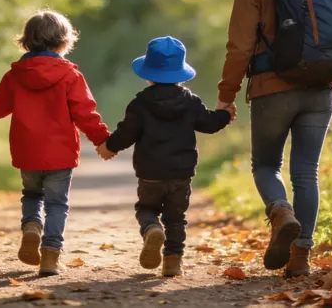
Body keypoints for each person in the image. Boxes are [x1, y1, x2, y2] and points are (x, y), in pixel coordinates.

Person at [217, 0, 332, 278]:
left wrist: (227, 95)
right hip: (322, 84)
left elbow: (239, 47)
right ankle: (301, 258)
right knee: (307, 172)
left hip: (273, 87)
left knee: (266, 165)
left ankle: (280, 211)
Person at [0, 10, 110, 277]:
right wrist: (103, 140)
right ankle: (50, 256)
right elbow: (85, 113)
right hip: (60, 154)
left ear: (26, 41)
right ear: (64, 41)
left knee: (32, 194)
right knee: (57, 204)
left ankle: (31, 226)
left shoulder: (16, 75)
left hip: (28, 152)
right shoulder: (71, 76)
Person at [97, 36, 233, 277]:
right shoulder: (190, 102)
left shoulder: (140, 103)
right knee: (176, 218)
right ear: (180, 73)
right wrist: (225, 115)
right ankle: (172, 262)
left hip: (150, 174)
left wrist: (109, 146)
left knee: (146, 208)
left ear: (148, 74)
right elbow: (209, 123)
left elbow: (126, 133)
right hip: (181, 174)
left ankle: (151, 229)